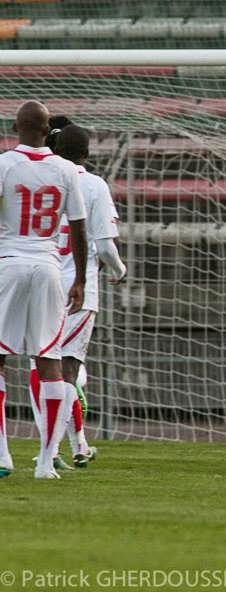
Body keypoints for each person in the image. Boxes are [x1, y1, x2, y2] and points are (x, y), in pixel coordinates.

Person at [27, 118, 127, 469]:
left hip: (37, 281)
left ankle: (72, 445)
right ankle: (52, 451)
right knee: (68, 370)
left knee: (38, 366)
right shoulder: (94, 185)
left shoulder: (41, 176)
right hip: (77, 290)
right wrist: (120, 270)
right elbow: (104, 246)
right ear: (87, 152)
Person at [0, 101, 88, 480]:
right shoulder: (67, 169)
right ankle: (44, 461)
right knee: (49, 360)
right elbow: (79, 229)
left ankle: (2, 454)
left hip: (9, 264)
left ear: (16, 125)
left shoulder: (4, 164)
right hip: (50, 269)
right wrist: (81, 280)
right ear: (47, 128)